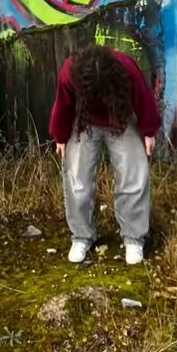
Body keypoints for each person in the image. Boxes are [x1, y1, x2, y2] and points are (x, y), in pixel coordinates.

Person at [49, 45, 161, 265]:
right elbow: (63, 104)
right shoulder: (70, 71)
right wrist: (60, 136)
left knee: (133, 177)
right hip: (85, 121)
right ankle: (82, 236)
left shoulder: (126, 68)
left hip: (120, 118)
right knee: (77, 181)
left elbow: (143, 97)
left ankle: (134, 238)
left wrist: (149, 131)